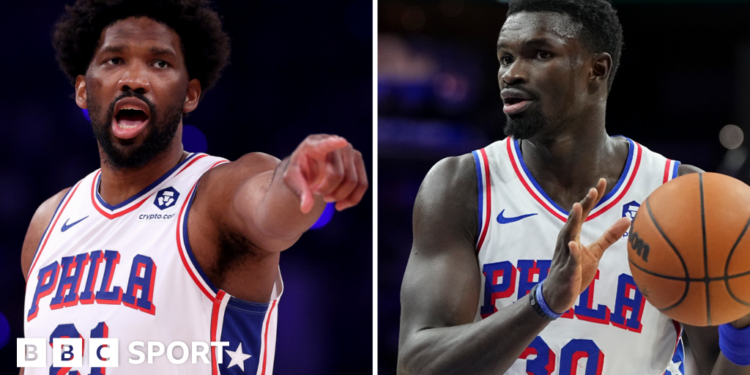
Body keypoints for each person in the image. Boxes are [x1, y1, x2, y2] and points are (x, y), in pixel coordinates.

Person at [397, 0, 750, 374]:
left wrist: (742, 324)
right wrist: (543, 302)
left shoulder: (678, 194)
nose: (511, 74)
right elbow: (417, 365)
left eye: (540, 53)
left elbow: (718, 367)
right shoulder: (462, 184)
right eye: (505, 58)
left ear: (596, 70)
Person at [20, 0, 368, 374]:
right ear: (83, 91)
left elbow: (268, 207)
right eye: (114, 60)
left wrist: (301, 177)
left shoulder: (215, 193)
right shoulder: (47, 223)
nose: (134, 79)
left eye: (160, 63)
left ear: (190, 94)